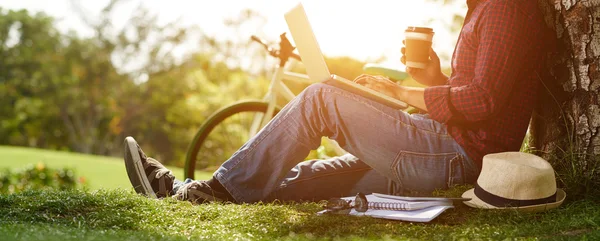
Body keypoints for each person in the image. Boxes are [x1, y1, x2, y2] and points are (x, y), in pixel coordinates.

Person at [124, 0, 547, 204]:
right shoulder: (485, 8)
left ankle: (207, 192)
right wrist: (433, 79)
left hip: (459, 157)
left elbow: (482, 102)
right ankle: (186, 195)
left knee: (321, 99)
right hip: (444, 145)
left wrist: (400, 92)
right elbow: (474, 91)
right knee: (318, 178)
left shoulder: (506, 6)